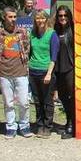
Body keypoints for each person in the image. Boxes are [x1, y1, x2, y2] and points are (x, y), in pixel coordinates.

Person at [0, 6, 32, 139]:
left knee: (24, 102)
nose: (13, 20)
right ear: (4, 18)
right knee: (8, 102)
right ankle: (10, 126)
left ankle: (24, 125)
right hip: (5, 73)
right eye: (10, 17)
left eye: (15, 17)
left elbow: (28, 49)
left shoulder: (23, 32)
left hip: (20, 72)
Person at [28, 9, 59, 138]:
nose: (40, 20)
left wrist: (49, 73)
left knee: (47, 101)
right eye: (37, 18)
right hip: (33, 71)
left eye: (42, 18)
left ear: (46, 19)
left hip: (46, 71)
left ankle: (48, 126)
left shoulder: (52, 34)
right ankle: (39, 125)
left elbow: (54, 56)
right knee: (37, 100)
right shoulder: (32, 34)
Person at [54, 5, 75, 139]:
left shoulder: (74, 30)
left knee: (71, 97)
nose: (63, 18)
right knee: (62, 98)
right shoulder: (54, 31)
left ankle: (72, 125)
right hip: (57, 69)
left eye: (65, 15)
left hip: (70, 68)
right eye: (60, 16)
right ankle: (69, 120)